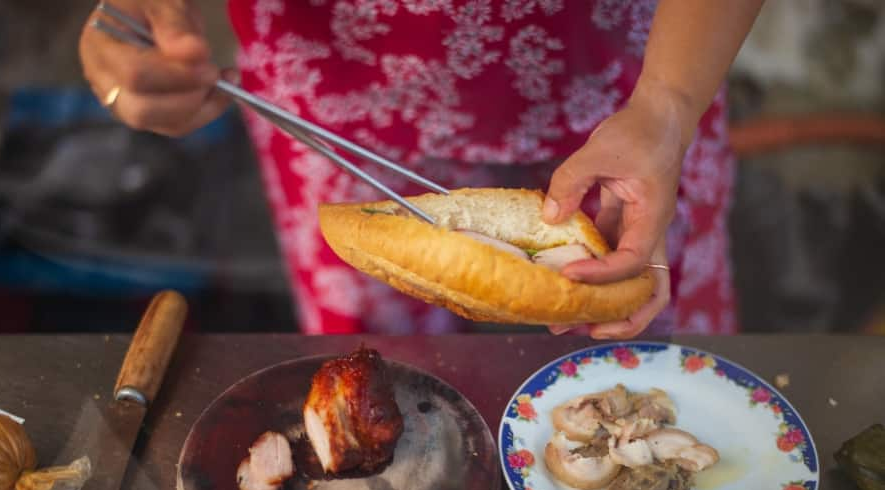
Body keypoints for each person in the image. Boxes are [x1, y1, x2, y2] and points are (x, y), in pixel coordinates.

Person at [79, 0, 764, 337]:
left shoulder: (656, 109)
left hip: (641, 100)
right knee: (384, 399)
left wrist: (667, 107)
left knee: (657, 378)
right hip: (332, 117)